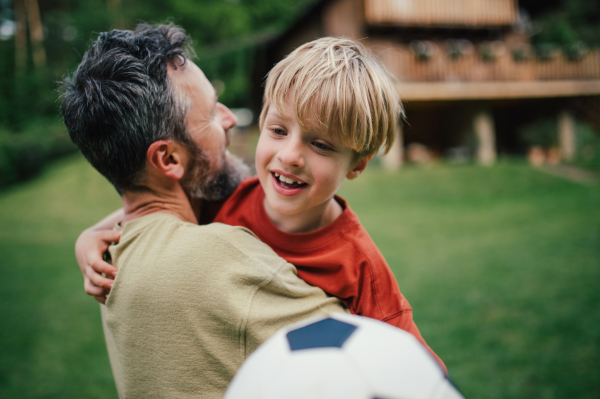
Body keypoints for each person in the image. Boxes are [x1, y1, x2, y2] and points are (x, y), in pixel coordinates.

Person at [79, 37, 446, 372]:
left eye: (320, 145)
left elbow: (419, 367)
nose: (289, 156)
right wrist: (93, 235)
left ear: (357, 165)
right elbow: (156, 214)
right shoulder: (233, 197)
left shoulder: (359, 263)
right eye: (279, 130)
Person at [62, 23, 347, 398]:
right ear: (168, 158)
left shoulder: (112, 253)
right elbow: (370, 359)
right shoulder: (219, 256)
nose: (230, 119)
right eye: (211, 113)